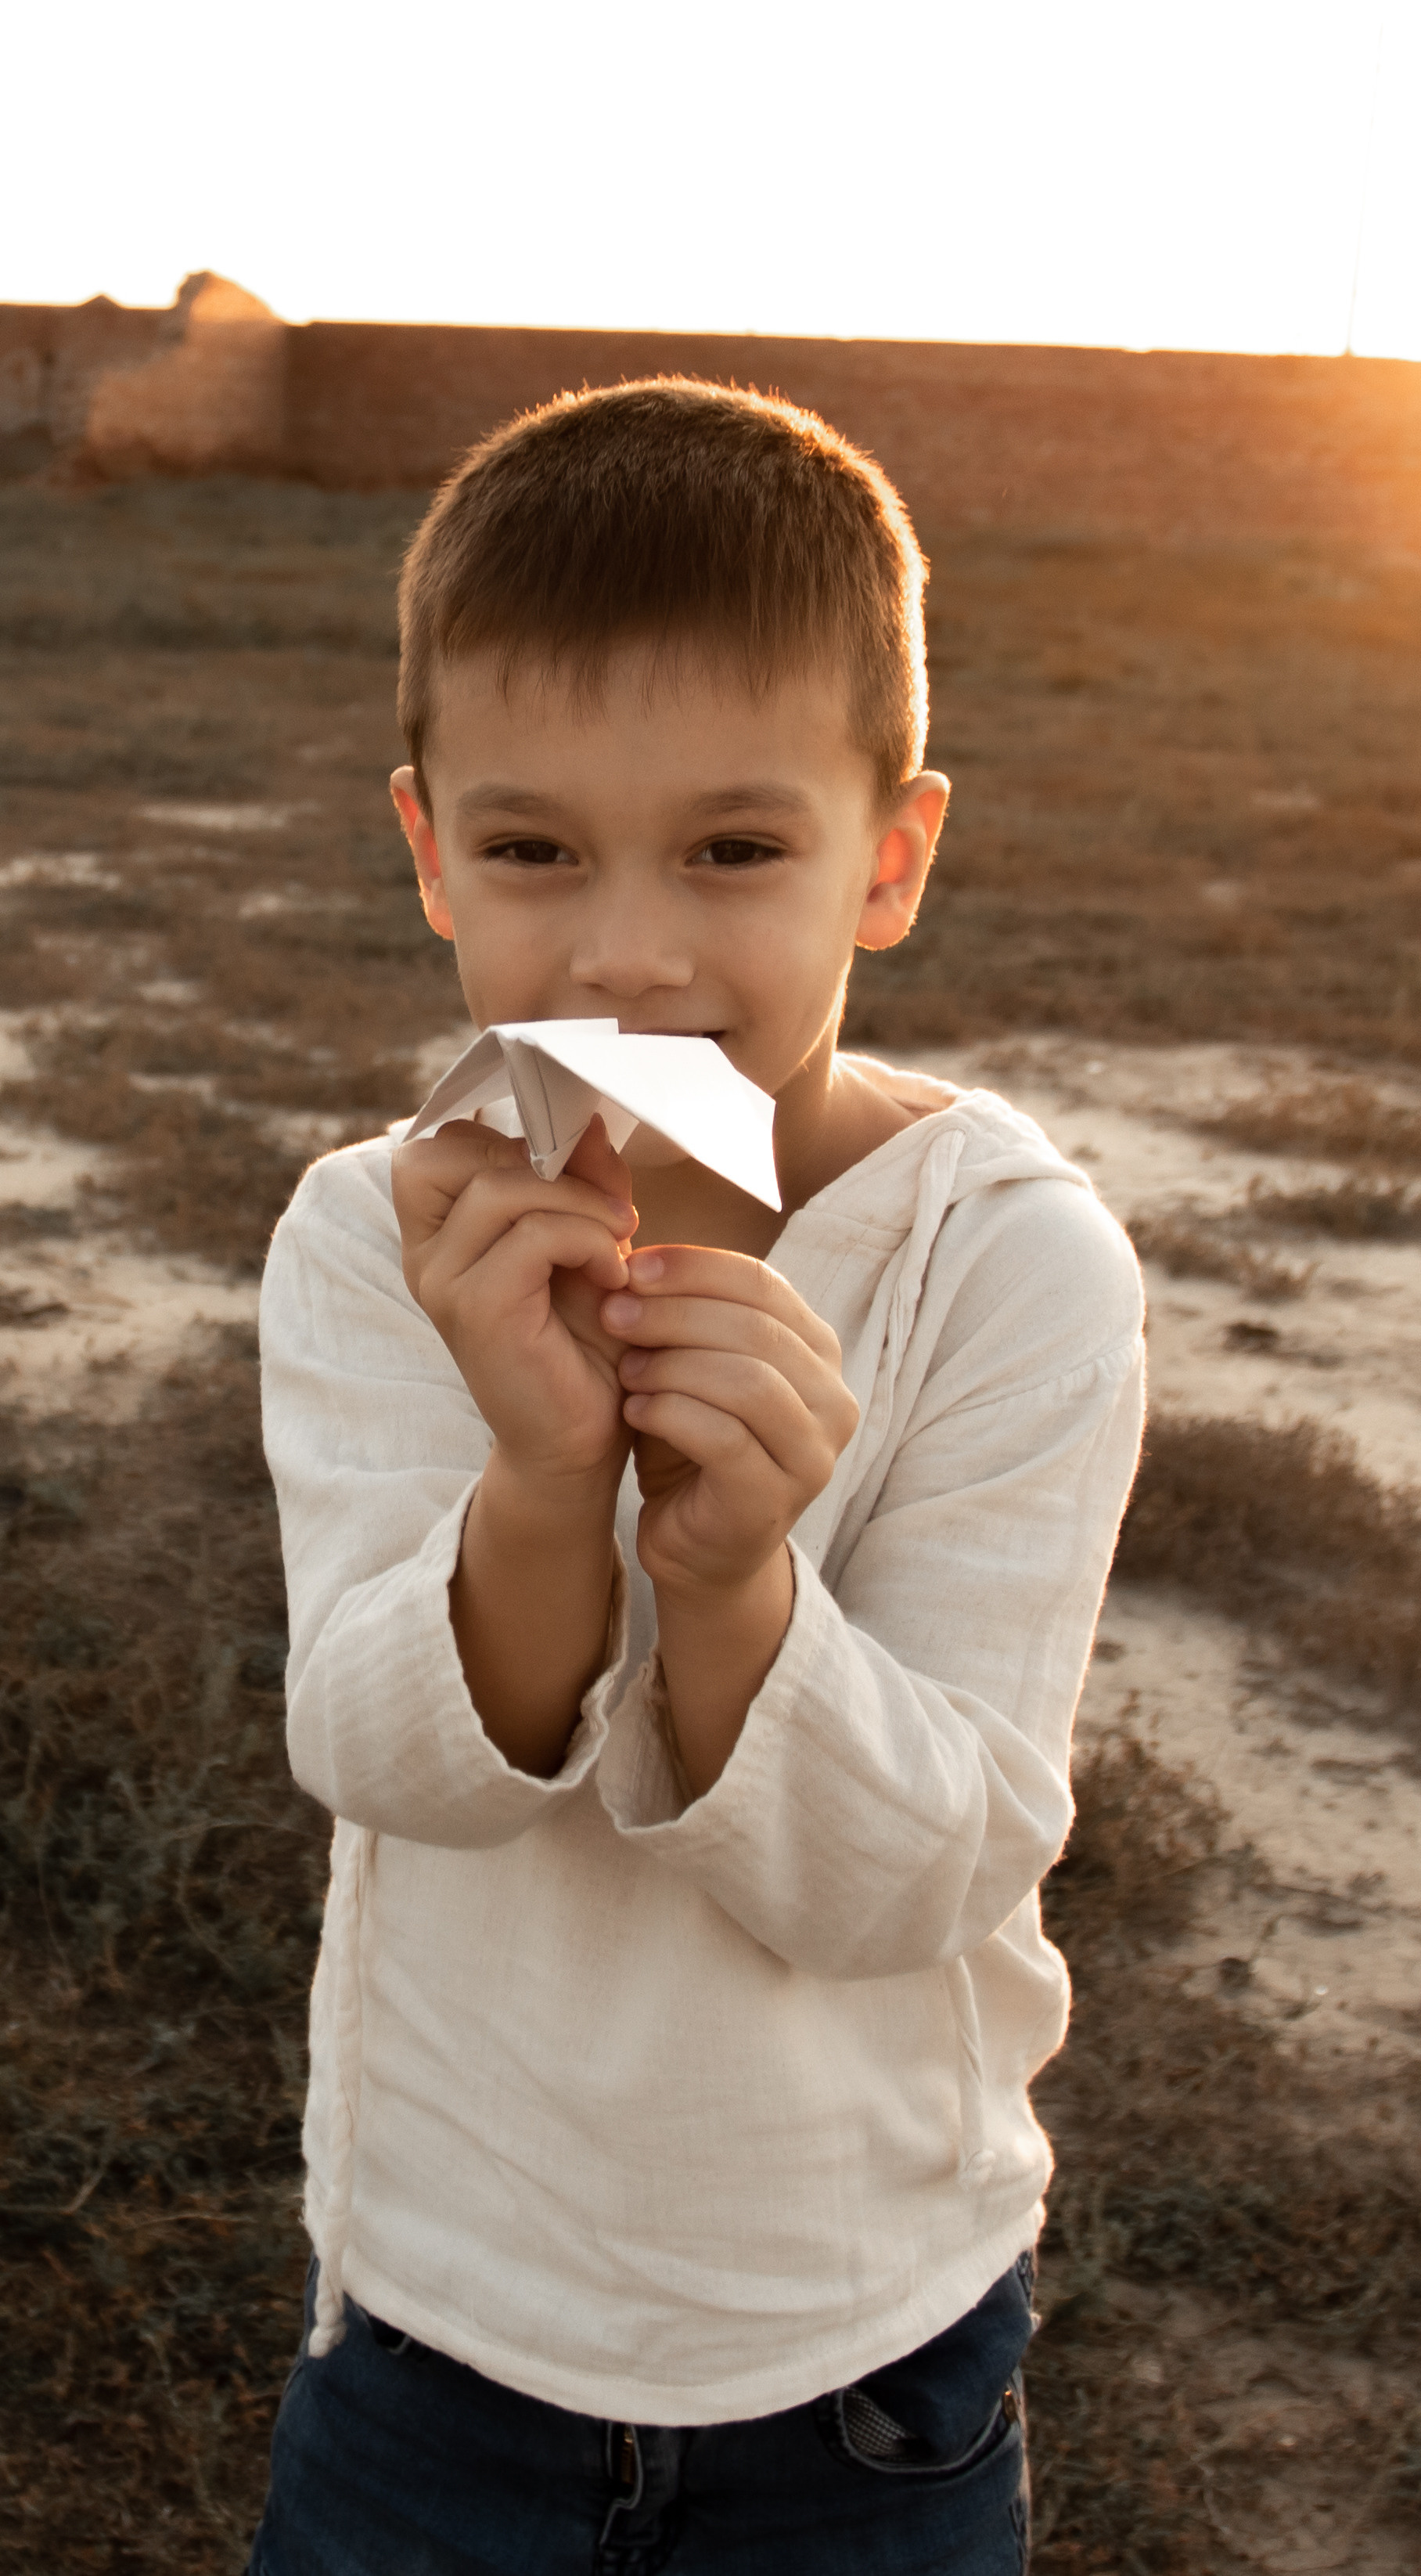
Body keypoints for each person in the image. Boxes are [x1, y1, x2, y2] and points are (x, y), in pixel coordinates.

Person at [249, 379, 1145, 2574]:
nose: (629, 951)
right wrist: (544, 1491)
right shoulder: (383, 1232)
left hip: (855, 2362)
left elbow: (920, 1878)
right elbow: (385, 1754)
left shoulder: (1004, 1268)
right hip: (440, 2325)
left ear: (892, 860)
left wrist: (741, 1587)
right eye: (538, 849)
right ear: (429, 852)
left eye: (736, 851)